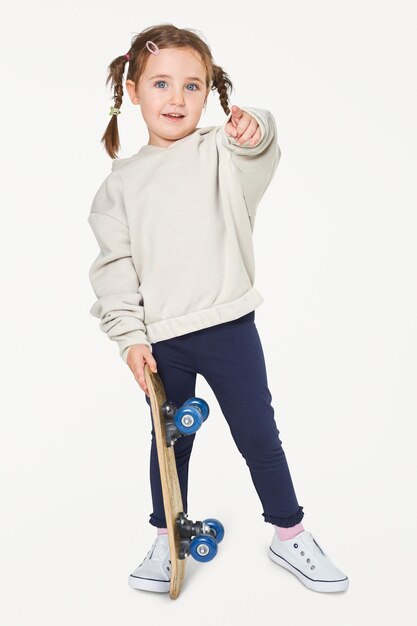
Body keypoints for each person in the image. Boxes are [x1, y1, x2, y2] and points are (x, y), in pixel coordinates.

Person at [87, 23, 349, 594]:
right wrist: (130, 340)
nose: (176, 98)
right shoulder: (119, 186)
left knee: (258, 433)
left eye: (192, 85)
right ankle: (165, 539)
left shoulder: (220, 153)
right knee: (167, 444)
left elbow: (258, 147)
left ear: (210, 93)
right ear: (132, 90)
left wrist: (255, 127)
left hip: (230, 327)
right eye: (160, 83)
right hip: (162, 340)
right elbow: (115, 272)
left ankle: (290, 534)